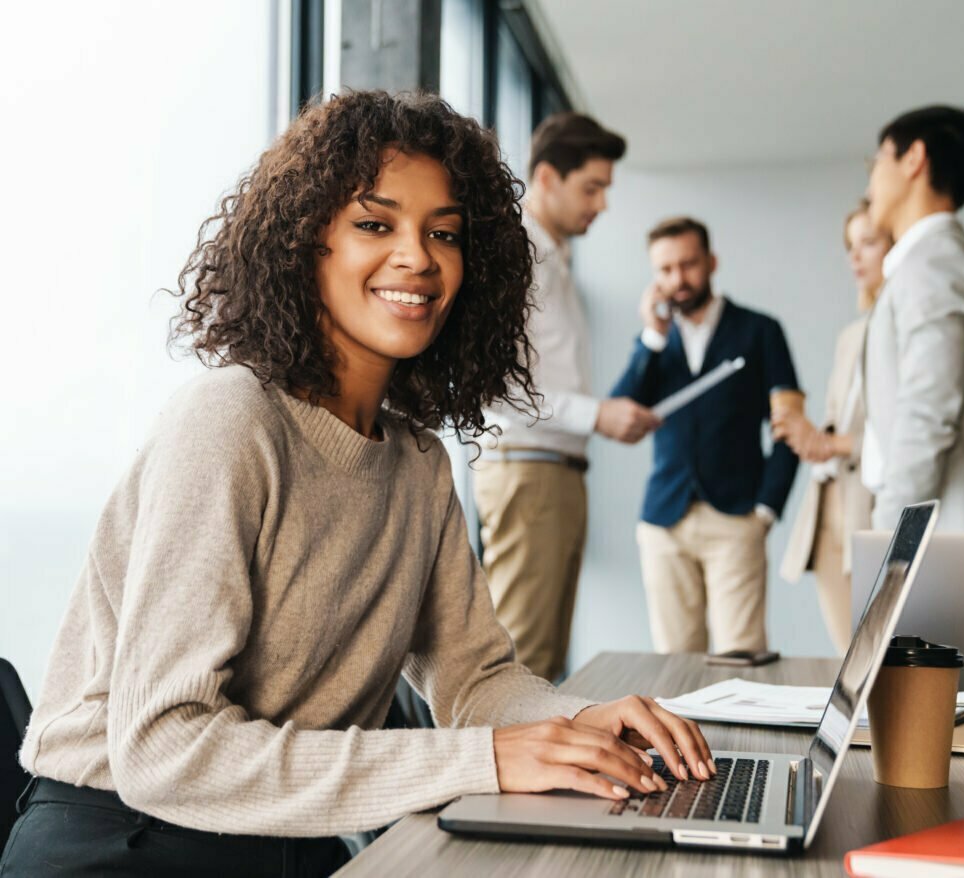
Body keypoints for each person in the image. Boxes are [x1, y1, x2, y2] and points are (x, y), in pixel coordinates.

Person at [1, 92, 715, 878]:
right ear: (307, 244)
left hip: (290, 837)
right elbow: (162, 748)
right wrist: (482, 762)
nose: (419, 256)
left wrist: (581, 721)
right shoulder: (231, 421)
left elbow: (475, 680)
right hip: (125, 843)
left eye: (444, 233)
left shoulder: (418, 464)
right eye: (375, 225)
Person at [474, 113, 659, 682]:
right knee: (521, 663)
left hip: (553, 471)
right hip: (531, 471)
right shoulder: (522, 255)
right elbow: (496, 385)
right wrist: (596, 414)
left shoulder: (554, 258)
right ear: (548, 178)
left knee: (543, 663)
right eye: (592, 187)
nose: (601, 204)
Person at [611, 216, 800, 655]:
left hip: (736, 518)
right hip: (664, 520)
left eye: (689, 264)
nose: (678, 279)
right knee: (674, 661)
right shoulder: (655, 343)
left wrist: (767, 509)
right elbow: (620, 413)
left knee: (741, 656)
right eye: (665, 270)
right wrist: (652, 339)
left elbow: (790, 426)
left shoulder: (760, 331)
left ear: (711, 262)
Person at [862, 105, 964, 531]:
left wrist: (888, 530)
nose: (871, 182)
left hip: (943, 536)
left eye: (877, 161)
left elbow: (928, 411)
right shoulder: (946, 260)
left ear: (913, 158)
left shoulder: (934, 263)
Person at [776, 201, 892, 653]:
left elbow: (905, 434)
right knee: (849, 659)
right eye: (850, 246)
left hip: (872, 507)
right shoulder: (852, 336)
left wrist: (831, 442)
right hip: (827, 512)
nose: (855, 257)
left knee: (881, 660)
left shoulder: (905, 329)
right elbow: (838, 424)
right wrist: (806, 435)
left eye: (868, 242)